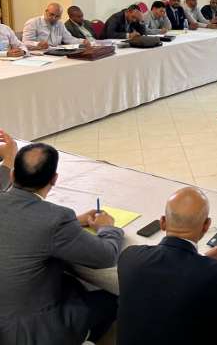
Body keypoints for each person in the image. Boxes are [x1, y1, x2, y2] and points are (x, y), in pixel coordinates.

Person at [0, 143, 124, 344]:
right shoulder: (56, 219)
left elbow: (22, 224)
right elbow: (106, 256)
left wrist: (74, 223)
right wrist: (107, 228)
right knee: (115, 299)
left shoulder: (54, 219)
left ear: (13, 175)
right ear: (54, 179)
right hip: (26, 332)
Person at [117, 187, 217, 345]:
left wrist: (202, 260)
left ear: (162, 222)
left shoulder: (129, 257)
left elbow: (169, 276)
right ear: (206, 225)